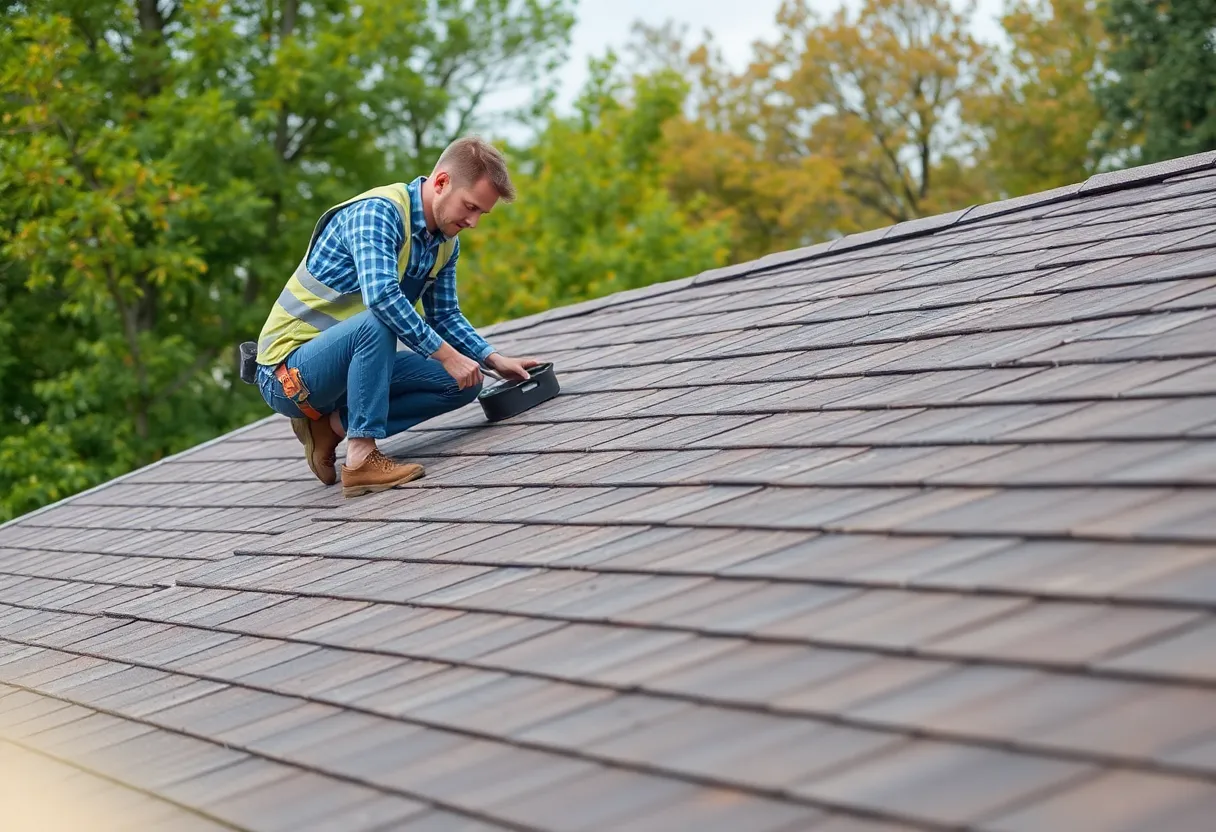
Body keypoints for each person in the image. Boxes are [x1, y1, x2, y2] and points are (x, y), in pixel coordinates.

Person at [253, 136, 539, 497]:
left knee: (465, 381)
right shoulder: (379, 213)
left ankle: (330, 429)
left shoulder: (445, 244)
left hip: (345, 371)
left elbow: (445, 315)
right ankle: (361, 458)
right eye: (470, 207)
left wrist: (491, 359)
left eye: (481, 213)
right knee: (379, 319)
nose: (474, 221)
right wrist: (449, 355)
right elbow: (382, 299)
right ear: (441, 182)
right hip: (288, 373)